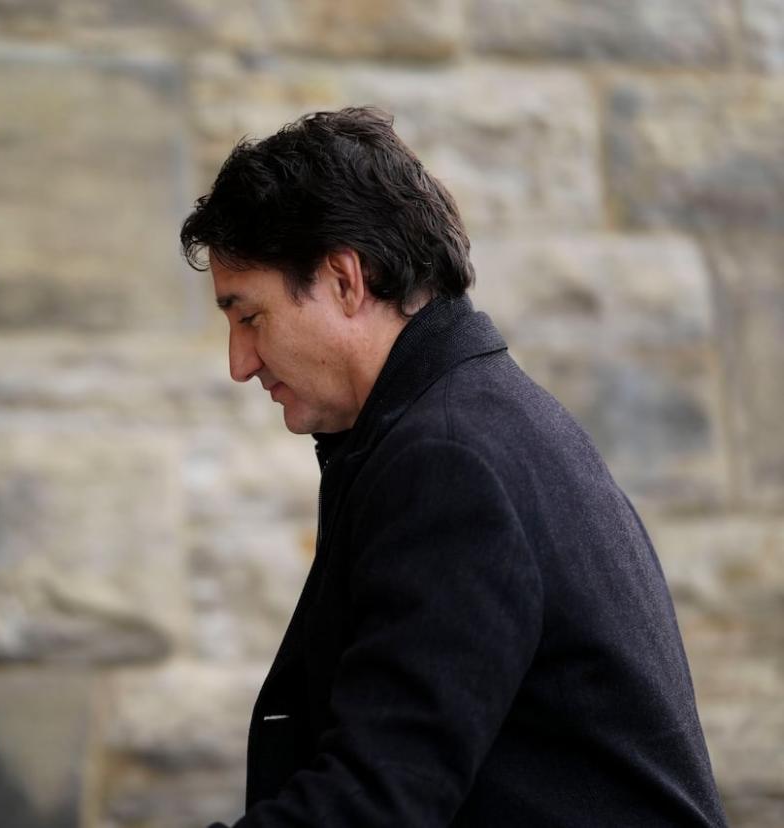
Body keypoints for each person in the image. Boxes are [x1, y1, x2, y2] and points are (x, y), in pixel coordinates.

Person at [180, 107, 728, 827]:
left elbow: (379, 802)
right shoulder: (478, 420)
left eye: (249, 316)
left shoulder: (449, 461)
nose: (238, 363)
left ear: (346, 279)